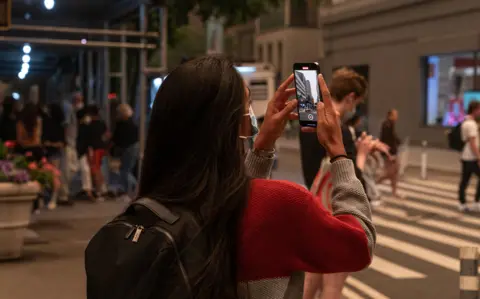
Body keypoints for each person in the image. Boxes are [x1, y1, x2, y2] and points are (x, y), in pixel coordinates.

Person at [135, 56, 375, 299]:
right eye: (248, 106)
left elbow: (237, 204)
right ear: (230, 124)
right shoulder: (282, 203)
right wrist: (339, 153)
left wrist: (262, 147)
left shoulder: (151, 207)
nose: (253, 119)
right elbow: (360, 245)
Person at [111, 104, 139, 198]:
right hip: (132, 147)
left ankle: (131, 189)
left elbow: (118, 137)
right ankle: (131, 189)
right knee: (127, 169)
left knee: (125, 171)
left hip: (128, 148)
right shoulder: (132, 123)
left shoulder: (123, 124)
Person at [42, 103, 66, 209]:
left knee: (48, 175)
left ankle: (47, 198)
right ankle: (53, 198)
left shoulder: (46, 123)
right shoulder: (60, 126)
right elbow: (63, 142)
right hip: (56, 152)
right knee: (55, 175)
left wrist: (49, 144)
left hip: (47, 152)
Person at [458, 101, 480, 212]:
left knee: (464, 181)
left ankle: (462, 203)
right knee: (465, 180)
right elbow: (472, 143)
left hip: (465, 157)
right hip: (472, 157)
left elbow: (464, 140)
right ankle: (476, 202)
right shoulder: (471, 124)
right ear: (475, 110)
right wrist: (478, 157)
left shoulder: (465, 122)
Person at [86, 105, 109, 200]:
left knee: (95, 169)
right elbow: (107, 134)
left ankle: (99, 191)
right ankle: (102, 189)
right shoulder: (102, 123)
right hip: (101, 147)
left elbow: (88, 138)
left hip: (94, 148)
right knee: (98, 168)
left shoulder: (90, 124)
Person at [378, 109, 402, 198]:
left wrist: (398, 141)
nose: (397, 117)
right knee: (390, 173)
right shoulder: (386, 125)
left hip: (392, 152)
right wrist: (389, 154)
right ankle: (373, 183)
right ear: (390, 115)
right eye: (395, 115)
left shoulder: (391, 124)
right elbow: (386, 140)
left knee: (395, 172)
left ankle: (394, 192)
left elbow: (393, 137)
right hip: (389, 153)